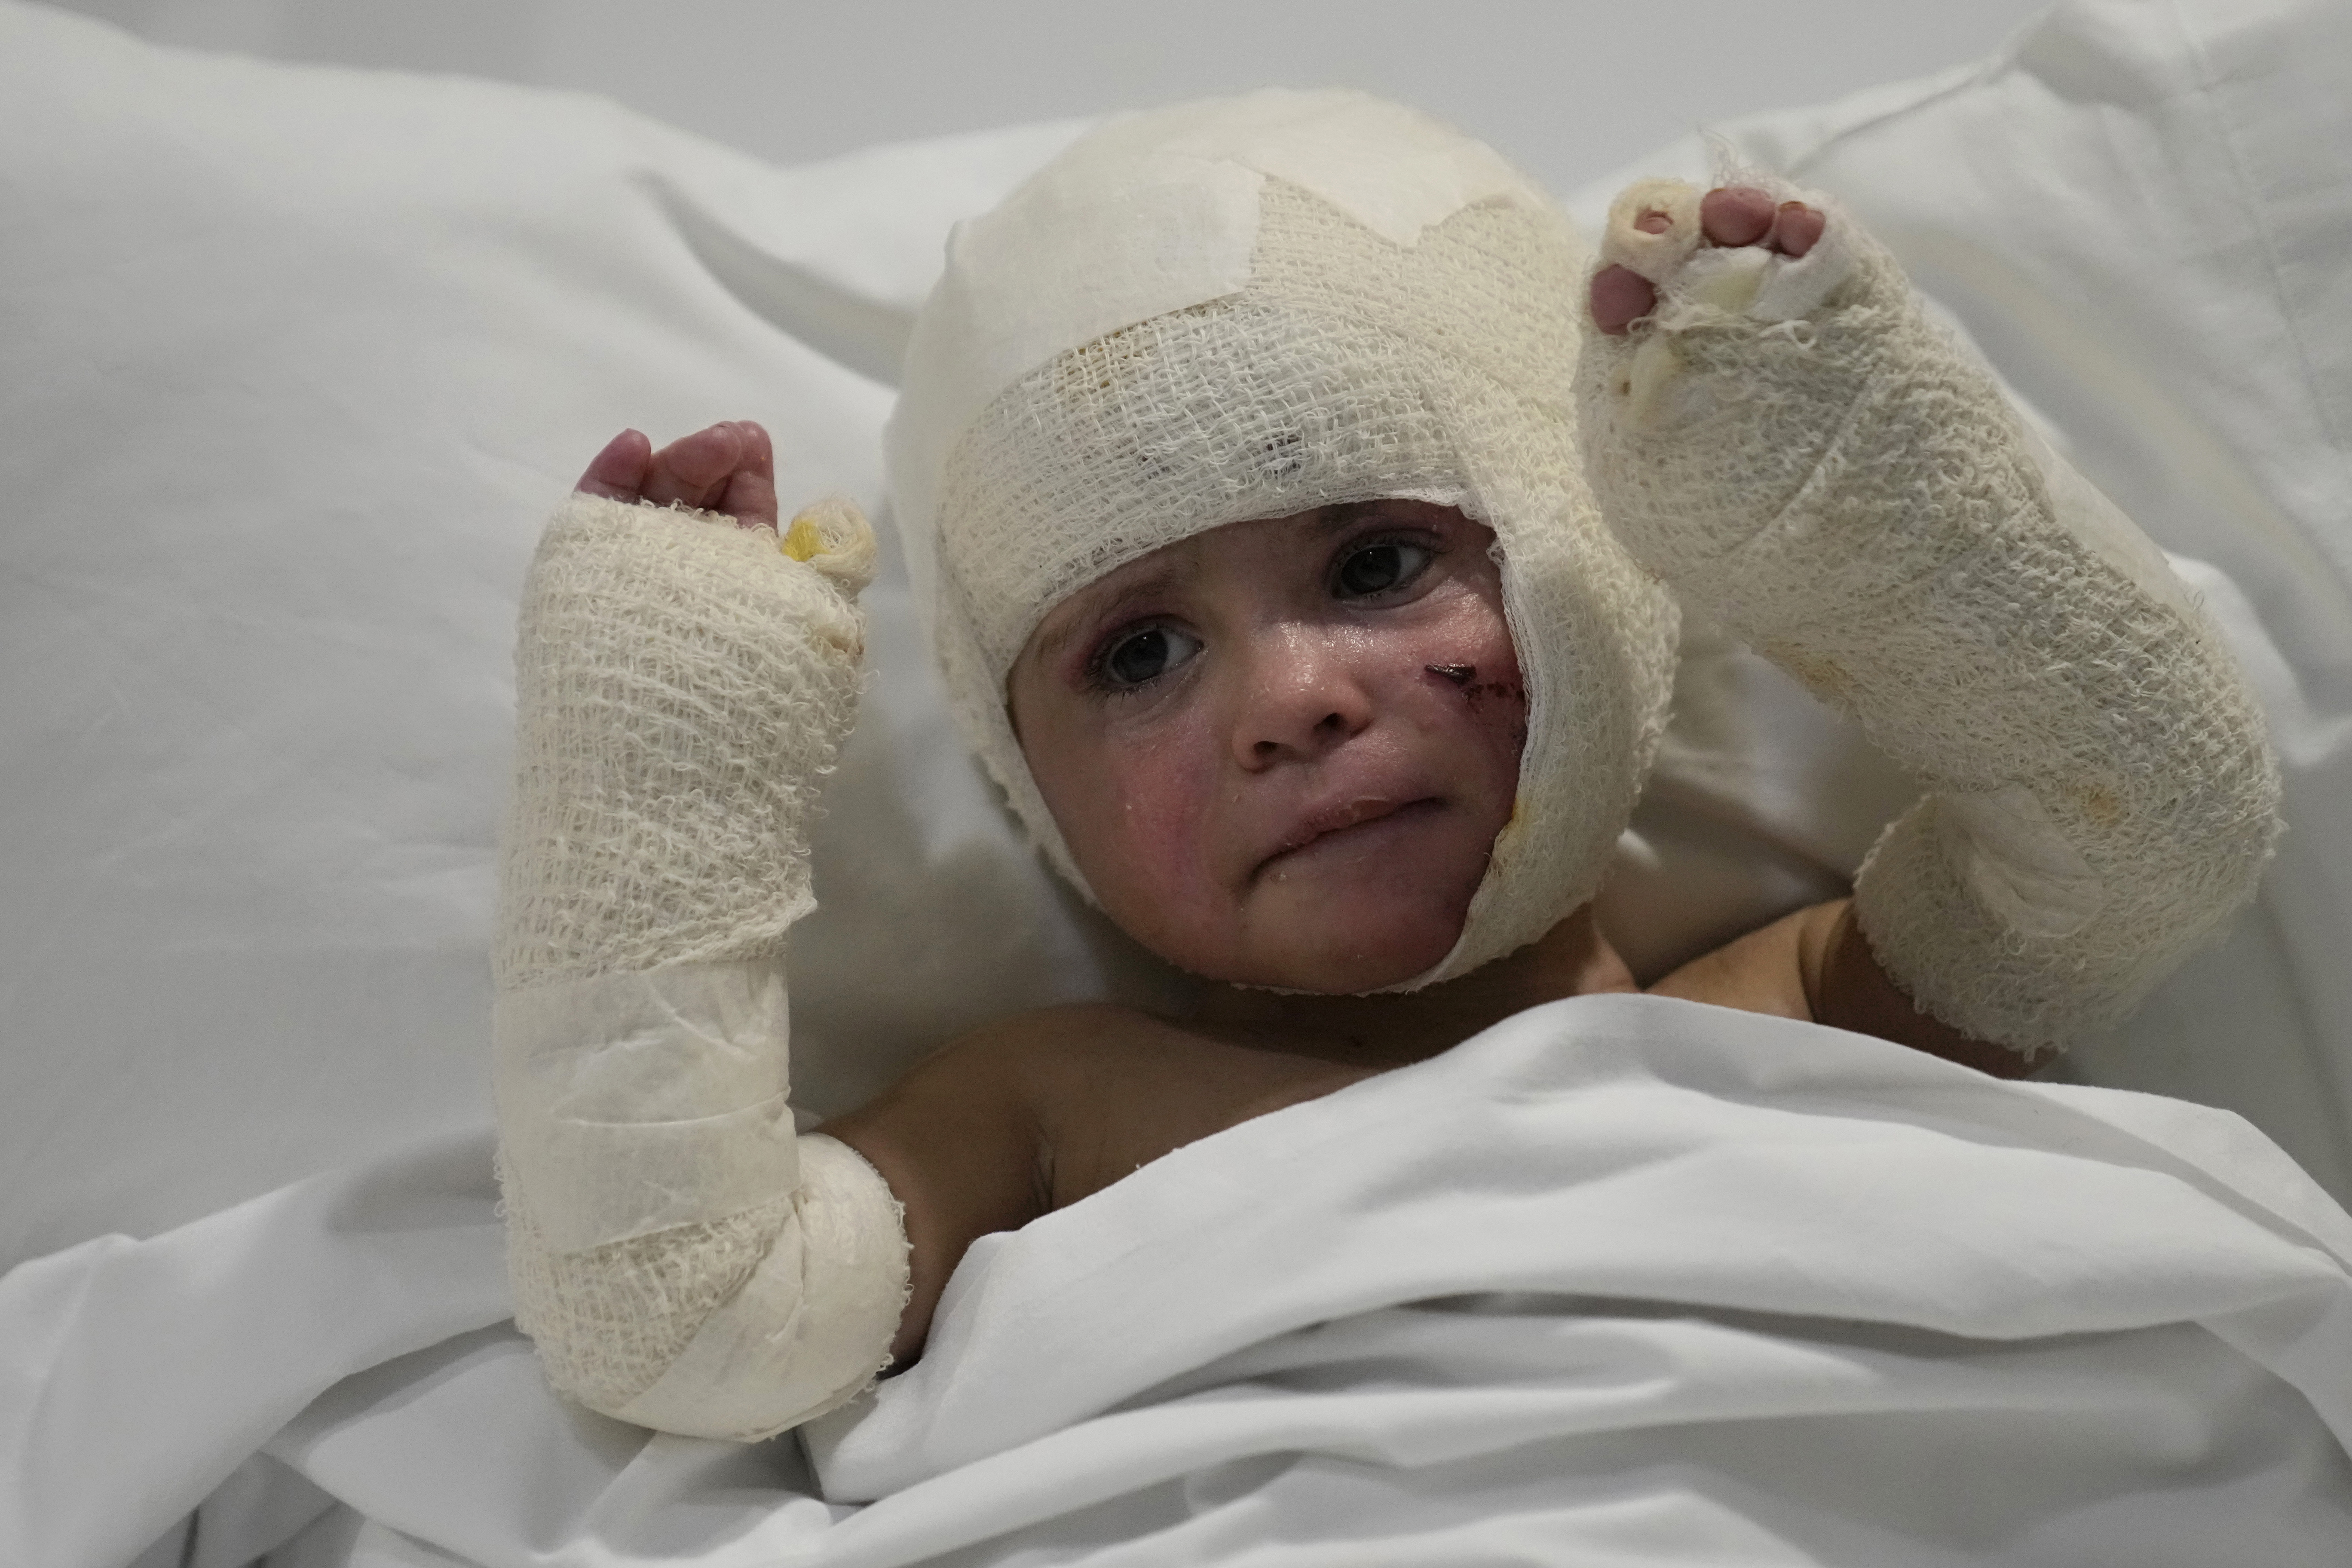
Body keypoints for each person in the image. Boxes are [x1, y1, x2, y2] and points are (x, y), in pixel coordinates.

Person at [490, 91, 2281, 1442]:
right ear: (1027, 787)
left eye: (1375, 567)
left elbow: (2144, 834)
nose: (1290, 700)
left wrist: (1840, 498)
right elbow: (685, 1318)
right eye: (1139, 654)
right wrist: (663, 780)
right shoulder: (1051, 1110)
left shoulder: (1786, 1017)